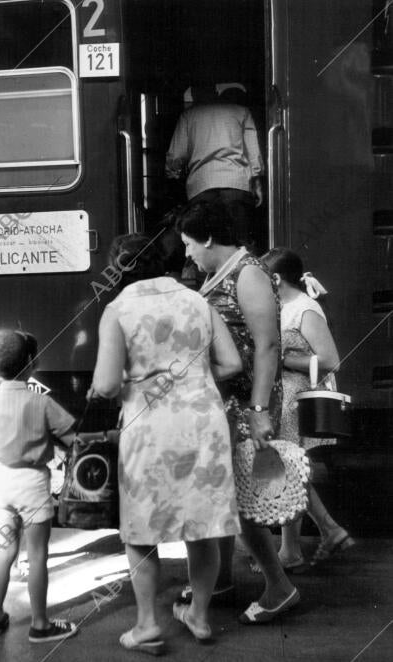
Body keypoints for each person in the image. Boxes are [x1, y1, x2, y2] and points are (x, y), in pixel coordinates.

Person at [89, 233, 243, 652]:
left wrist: (132, 381)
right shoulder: (198, 301)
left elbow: (105, 384)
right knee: (203, 523)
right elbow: (231, 363)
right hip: (202, 423)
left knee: (141, 527)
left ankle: (146, 625)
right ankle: (199, 616)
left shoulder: (117, 310)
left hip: (148, 425)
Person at [176, 200, 300, 624]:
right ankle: (224, 579)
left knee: (240, 495)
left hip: (249, 402)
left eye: (190, 243)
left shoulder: (247, 274)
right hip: (231, 401)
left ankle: (279, 586)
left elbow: (268, 345)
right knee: (227, 490)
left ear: (209, 238)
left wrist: (260, 409)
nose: (188, 253)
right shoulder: (221, 272)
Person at [0, 330, 78, 643]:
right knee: (36, 556)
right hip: (33, 488)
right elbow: (73, 437)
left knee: (3, 552)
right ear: (31, 363)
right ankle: (40, 625)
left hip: (3, 489)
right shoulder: (41, 402)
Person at [260, 247, 355, 568]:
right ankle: (303, 544)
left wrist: (284, 359)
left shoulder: (304, 308)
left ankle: (316, 536)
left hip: (295, 399)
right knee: (291, 471)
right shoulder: (284, 307)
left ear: (275, 278)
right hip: (283, 397)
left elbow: (330, 360)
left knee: (288, 471)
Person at [165, 84, 264, 249]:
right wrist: (258, 185)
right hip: (236, 185)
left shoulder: (188, 116)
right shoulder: (241, 112)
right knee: (241, 242)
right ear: (215, 92)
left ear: (195, 96)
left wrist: (173, 178)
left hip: (201, 187)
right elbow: (253, 153)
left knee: (204, 242)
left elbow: (175, 158)